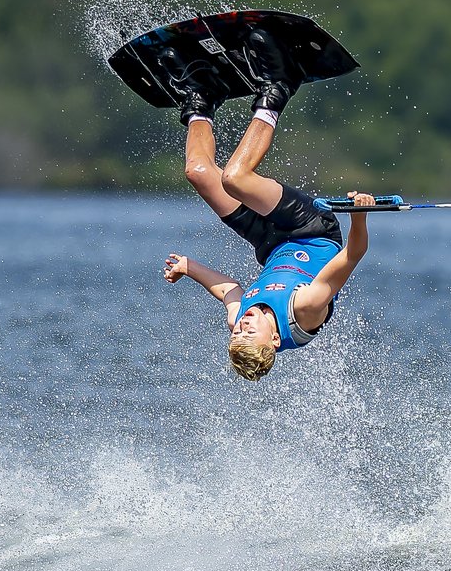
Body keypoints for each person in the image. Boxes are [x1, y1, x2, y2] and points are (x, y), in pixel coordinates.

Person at [157, 58, 376, 380]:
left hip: (269, 243)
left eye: (236, 334)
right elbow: (353, 254)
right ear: (274, 340)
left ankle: (201, 97)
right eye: (248, 333)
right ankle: (279, 86)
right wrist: (359, 216)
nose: (242, 326)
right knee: (235, 178)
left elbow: (229, 289)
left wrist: (189, 268)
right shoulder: (306, 308)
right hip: (311, 229)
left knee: (199, 173)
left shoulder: (239, 317)